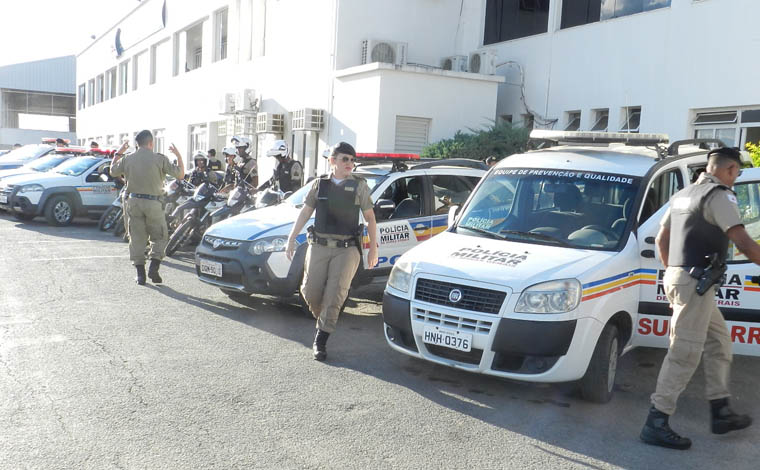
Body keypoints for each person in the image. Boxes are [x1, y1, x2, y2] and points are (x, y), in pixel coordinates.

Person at [640, 147, 757, 450]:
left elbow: (662, 238)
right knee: (685, 352)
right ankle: (657, 420)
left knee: (719, 342)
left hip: (685, 280)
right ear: (730, 169)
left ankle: (720, 411)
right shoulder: (719, 195)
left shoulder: (684, 194)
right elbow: (742, 240)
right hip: (695, 284)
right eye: (737, 173)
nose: (736, 178)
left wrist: (673, 275)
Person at [286, 142, 378, 361]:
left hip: (346, 250)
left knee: (335, 294)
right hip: (318, 246)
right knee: (309, 291)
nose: (349, 163)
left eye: (352, 160)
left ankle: (321, 339)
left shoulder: (359, 186)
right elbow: (306, 212)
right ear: (332, 160)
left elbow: (371, 218)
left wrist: (372, 248)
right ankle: (326, 318)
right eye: (345, 159)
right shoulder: (320, 185)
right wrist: (291, 237)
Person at [110, 130, 185, 285]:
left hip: (134, 202)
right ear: (151, 143)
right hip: (154, 203)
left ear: (137, 144)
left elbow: (112, 171)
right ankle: (154, 266)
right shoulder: (159, 159)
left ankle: (140, 275)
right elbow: (180, 175)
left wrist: (118, 153)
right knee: (160, 236)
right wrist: (178, 156)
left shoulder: (128, 158)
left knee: (136, 238)